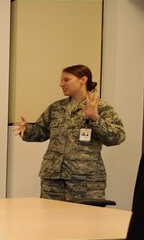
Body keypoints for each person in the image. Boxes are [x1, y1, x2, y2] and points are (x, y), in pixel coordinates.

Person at [14, 64, 126, 201]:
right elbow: (41, 131)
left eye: (66, 80)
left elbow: (117, 137)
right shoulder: (56, 107)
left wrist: (95, 118)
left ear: (83, 80)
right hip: (53, 178)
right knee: (51, 220)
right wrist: (27, 130)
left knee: (84, 221)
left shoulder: (101, 107)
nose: (61, 84)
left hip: (85, 179)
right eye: (61, 80)